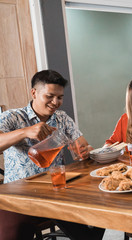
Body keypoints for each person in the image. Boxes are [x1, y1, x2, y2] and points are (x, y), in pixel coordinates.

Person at [0, 70, 104, 240]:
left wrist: (85, 151)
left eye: (60, 97)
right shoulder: (12, 117)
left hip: (57, 192)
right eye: (50, 96)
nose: (56, 102)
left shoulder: (62, 118)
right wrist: (25, 132)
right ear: (34, 92)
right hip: (18, 197)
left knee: (94, 224)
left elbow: (84, 146)